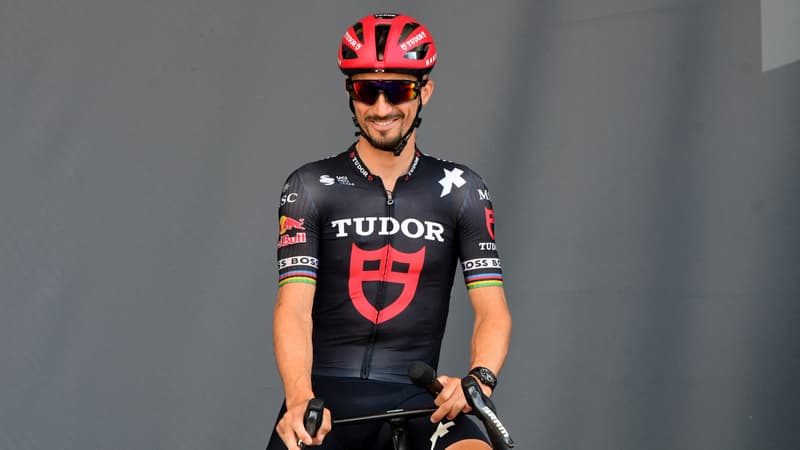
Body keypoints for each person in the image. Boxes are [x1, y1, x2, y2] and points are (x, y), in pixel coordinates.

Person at [266, 12, 512, 450]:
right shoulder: (309, 187)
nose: (381, 109)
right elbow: (293, 309)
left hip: (419, 396)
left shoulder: (463, 190)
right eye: (367, 91)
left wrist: (480, 379)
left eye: (397, 90)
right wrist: (299, 395)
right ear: (350, 93)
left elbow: (492, 310)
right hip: (326, 396)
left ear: (425, 92)